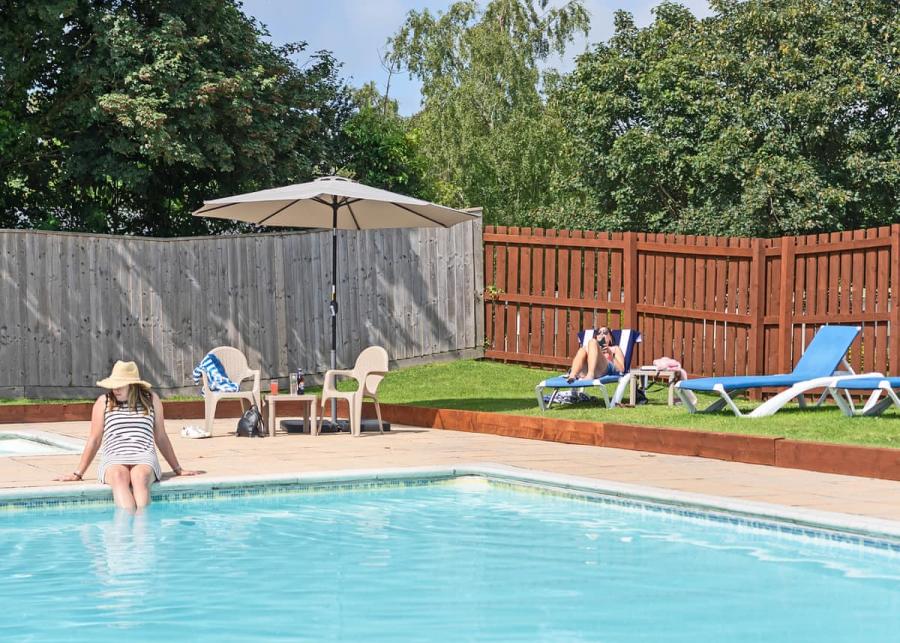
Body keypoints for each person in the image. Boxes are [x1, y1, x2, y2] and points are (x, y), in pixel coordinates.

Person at [56, 360, 199, 510]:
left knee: (140, 477)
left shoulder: (151, 399)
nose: (115, 389)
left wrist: (178, 469)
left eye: (120, 385)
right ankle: (124, 529)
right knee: (119, 477)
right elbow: (95, 439)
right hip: (114, 457)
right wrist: (78, 473)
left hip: (144, 455)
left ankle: (142, 527)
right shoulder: (104, 402)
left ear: (132, 385)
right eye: (114, 385)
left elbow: (161, 437)